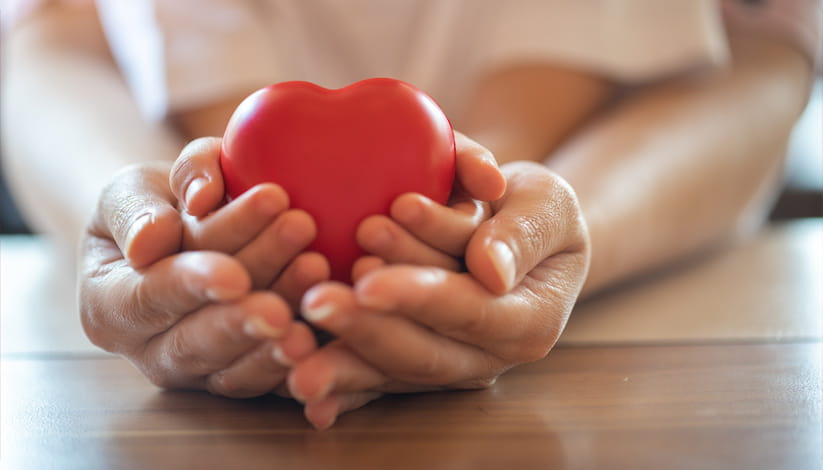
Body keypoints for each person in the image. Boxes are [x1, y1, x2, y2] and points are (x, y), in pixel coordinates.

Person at [2, 0, 818, 430]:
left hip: (664, 323)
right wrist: (147, 232)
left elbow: (763, 46)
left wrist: (549, 233)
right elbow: (49, 37)